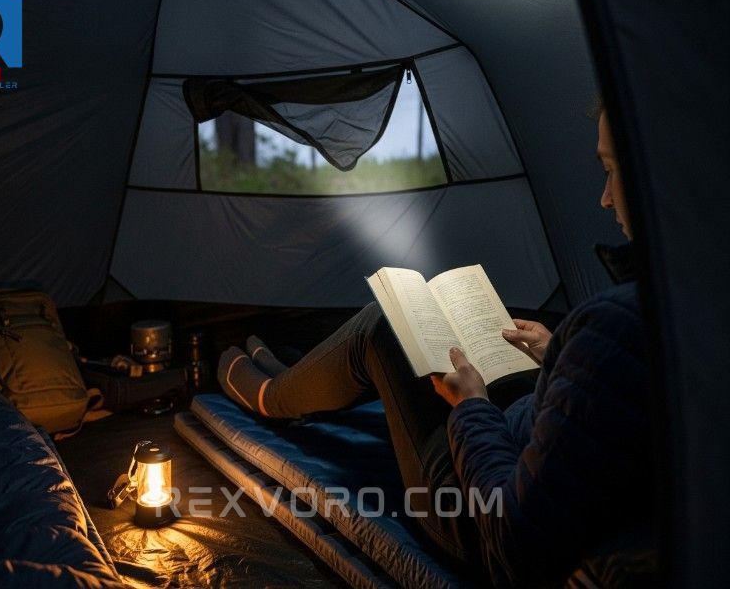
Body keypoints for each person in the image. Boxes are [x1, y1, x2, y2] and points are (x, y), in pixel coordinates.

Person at [217, 105, 653, 586]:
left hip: (471, 513)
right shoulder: (687, 310)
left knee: (384, 325)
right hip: (528, 433)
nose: (605, 200)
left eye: (611, 171)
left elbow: (515, 541)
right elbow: (615, 409)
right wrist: (559, 359)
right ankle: (292, 378)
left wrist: (470, 407)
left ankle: (269, 397)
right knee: (467, 331)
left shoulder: (618, 324)